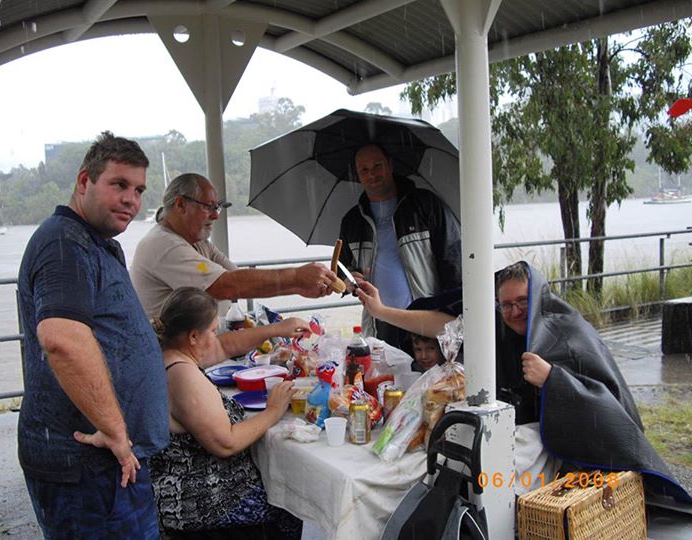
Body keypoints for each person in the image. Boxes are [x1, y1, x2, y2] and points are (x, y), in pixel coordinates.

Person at [356, 262, 692, 503]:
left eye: (523, 301)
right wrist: (381, 310)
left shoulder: (569, 333)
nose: (516, 311)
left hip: (562, 446)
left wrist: (553, 380)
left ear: (540, 298)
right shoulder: (498, 328)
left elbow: (607, 404)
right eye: (506, 305)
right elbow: (443, 325)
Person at [17, 131, 168, 538]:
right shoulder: (63, 243)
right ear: (84, 182)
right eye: (118, 185)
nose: (131, 200)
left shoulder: (96, 243)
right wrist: (118, 434)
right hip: (87, 467)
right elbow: (62, 339)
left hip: (110, 466)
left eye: (138, 190)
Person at [149, 287, 307, 539]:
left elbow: (224, 346)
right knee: (293, 499)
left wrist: (277, 328)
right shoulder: (182, 374)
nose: (216, 337)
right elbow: (226, 443)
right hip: (203, 500)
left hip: (189, 491)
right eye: (213, 330)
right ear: (193, 336)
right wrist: (273, 411)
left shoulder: (165, 354)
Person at [131, 173, 339, 317]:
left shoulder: (198, 243)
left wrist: (298, 287)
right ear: (180, 204)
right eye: (208, 207)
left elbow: (238, 279)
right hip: (167, 359)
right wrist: (296, 275)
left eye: (217, 208)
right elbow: (225, 286)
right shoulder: (164, 244)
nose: (215, 216)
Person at [337, 143, 461, 347]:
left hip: (424, 320)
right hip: (379, 324)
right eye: (364, 170)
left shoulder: (425, 205)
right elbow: (341, 269)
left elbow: (453, 259)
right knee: (383, 378)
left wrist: (451, 314)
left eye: (377, 166)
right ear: (358, 175)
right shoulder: (352, 221)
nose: (372, 174)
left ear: (390, 165)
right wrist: (349, 282)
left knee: (429, 377)